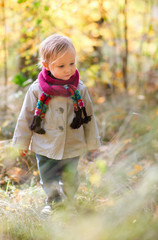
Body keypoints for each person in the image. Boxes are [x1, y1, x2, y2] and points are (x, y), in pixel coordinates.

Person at [12, 34, 101, 214]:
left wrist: (93, 143)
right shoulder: (37, 90)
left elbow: (88, 117)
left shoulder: (79, 89)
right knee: (48, 176)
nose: (68, 69)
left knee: (70, 176)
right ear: (46, 65)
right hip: (46, 144)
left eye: (72, 63)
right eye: (61, 66)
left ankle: (69, 202)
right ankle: (53, 202)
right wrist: (21, 143)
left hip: (72, 143)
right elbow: (26, 117)